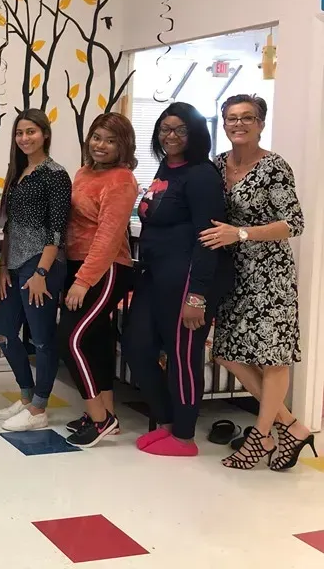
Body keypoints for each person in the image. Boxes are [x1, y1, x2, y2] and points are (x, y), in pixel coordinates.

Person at [201, 94, 312, 470]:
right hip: (231, 274)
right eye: (232, 118)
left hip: (270, 275)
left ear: (261, 123)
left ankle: (262, 435)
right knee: (227, 353)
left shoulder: (274, 167)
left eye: (248, 117)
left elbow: (294, 223)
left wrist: (243, 234)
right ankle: (291, 426)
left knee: (272, 358)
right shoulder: (216, 166)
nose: (239, 124)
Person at [123, 102, 233, 457]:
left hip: (187, 280)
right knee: (137, 347)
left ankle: (184, 436)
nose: (170, 136)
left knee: (183, 356)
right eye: (165, 129)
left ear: (195, 134)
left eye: (179, 130)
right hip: (154, 276)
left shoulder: (201, 175)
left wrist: (197, 296)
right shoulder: (165, 168)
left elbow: (209, 238)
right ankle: (168, 422)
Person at [59, 113, 138, 448]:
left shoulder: (122, 179)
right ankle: (106, 412)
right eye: (96, 137)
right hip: (79, 266)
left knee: (70, 340)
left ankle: (100, 419)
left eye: (110, 140)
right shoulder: (83, 172)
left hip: (104, 270)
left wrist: (83, 281)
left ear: (123, 146)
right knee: (95, 341)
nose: (101, 145)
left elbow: (107, 236)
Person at [0, 110, 71, 432]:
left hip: (42, 264)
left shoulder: (55, 174)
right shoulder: (19, 172)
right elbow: (9, 225)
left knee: (41, 338)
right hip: (14, 263)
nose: (25, 138)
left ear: (45, 134)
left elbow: (57, 228)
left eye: (31, 132)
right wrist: (1, 265)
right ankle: (26, 396)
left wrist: (41, 272)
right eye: (19, 133)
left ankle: (39, 407)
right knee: (3, 331)